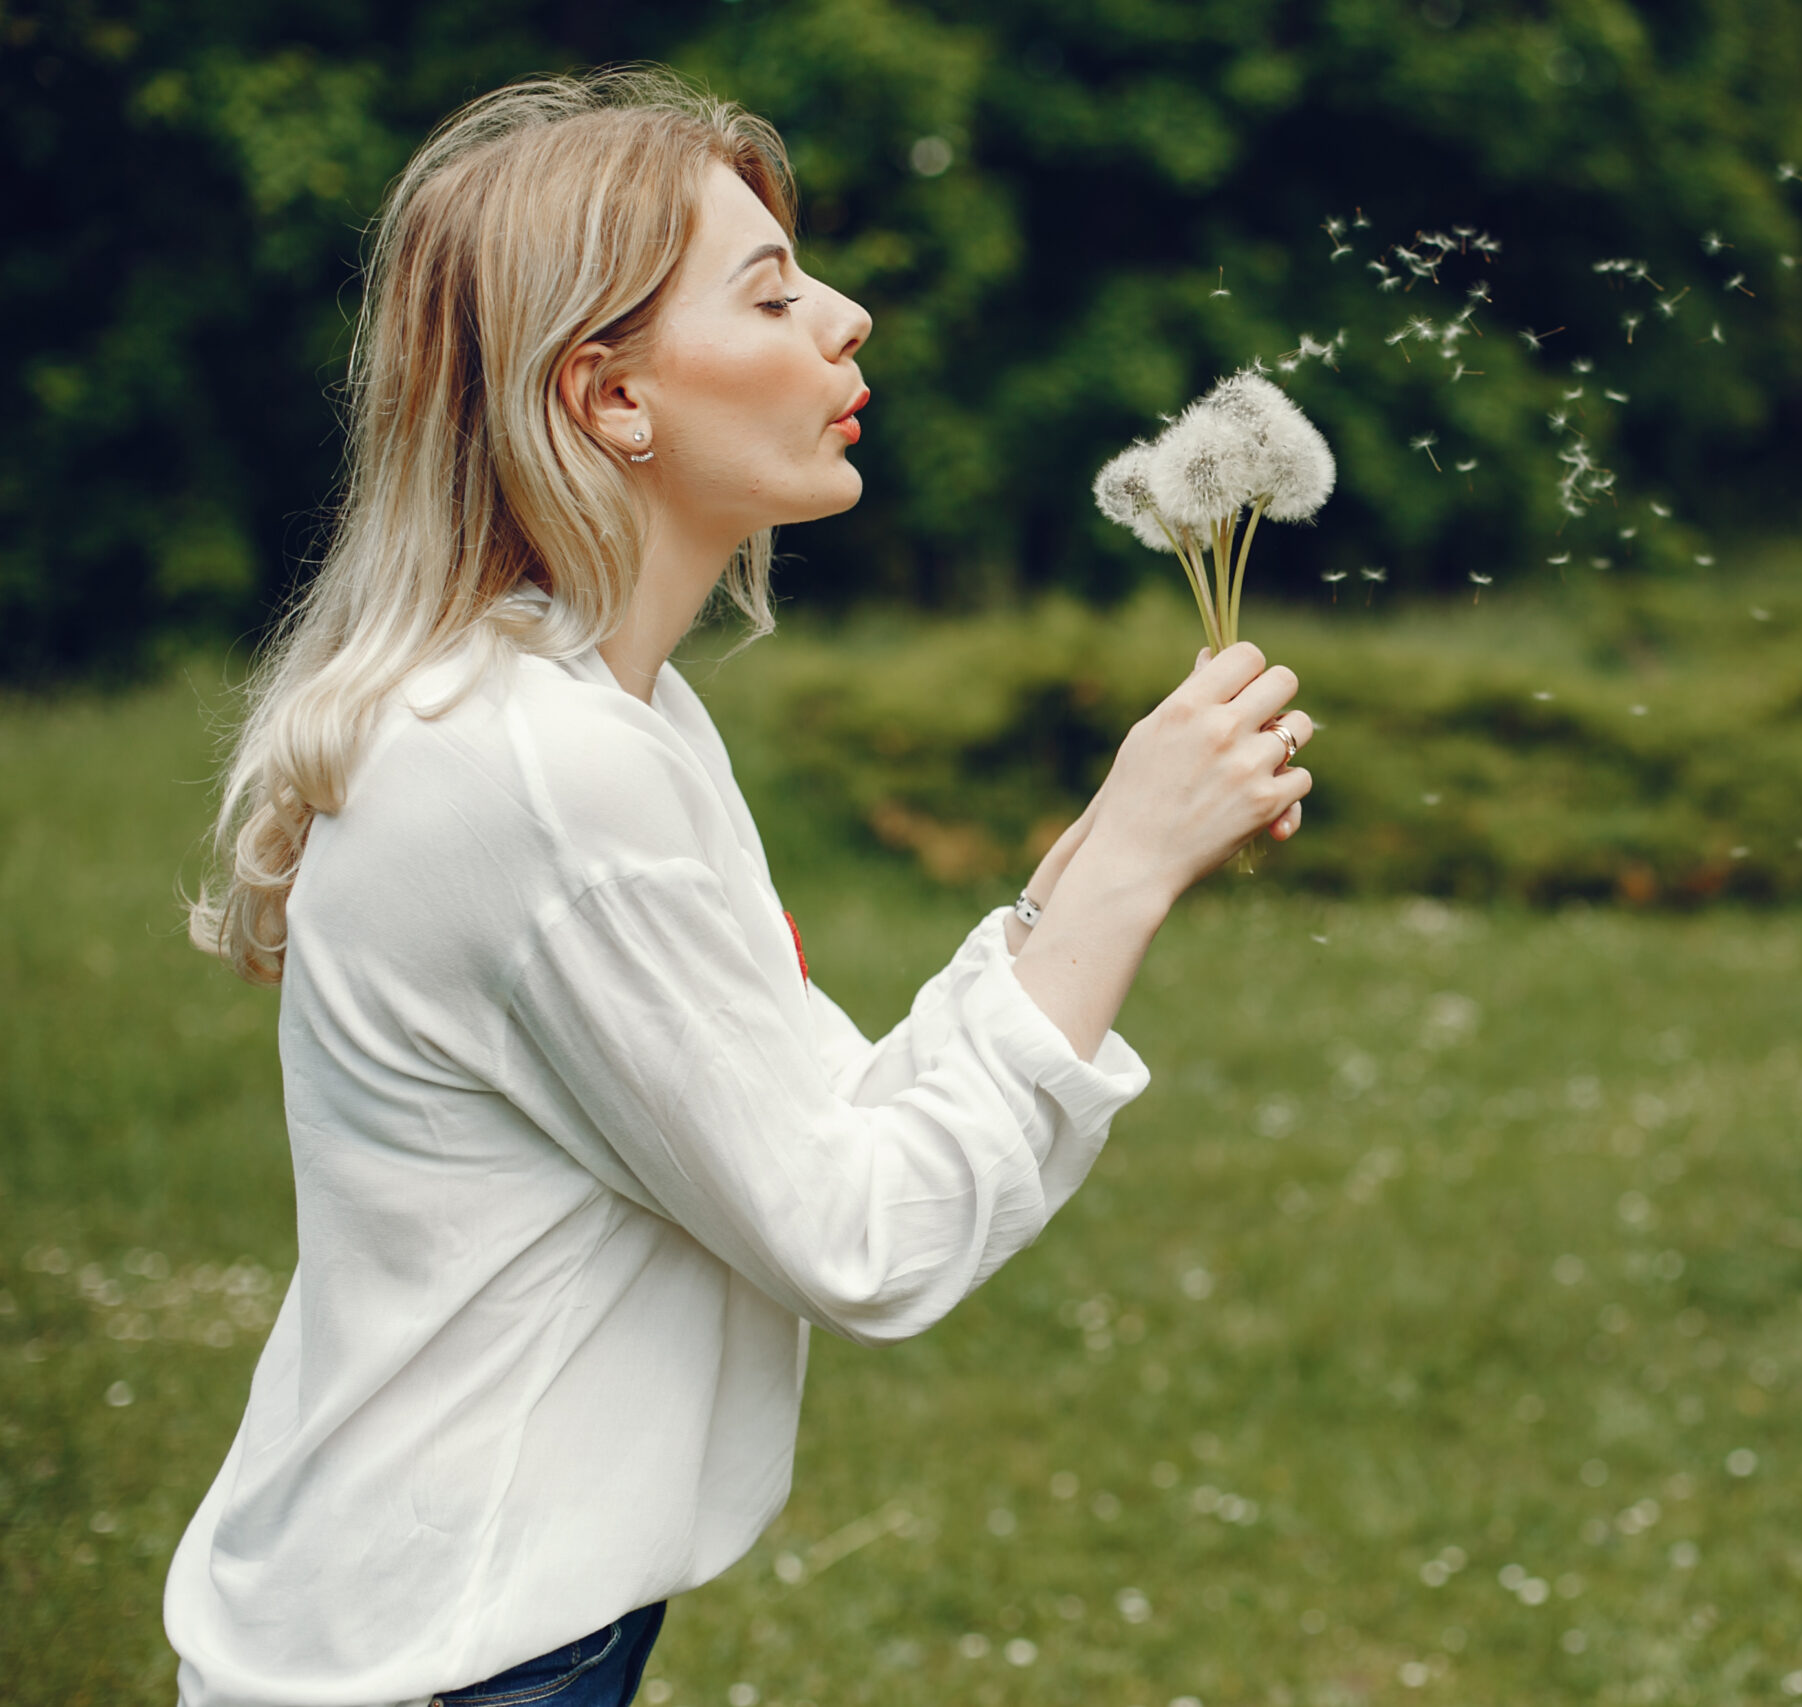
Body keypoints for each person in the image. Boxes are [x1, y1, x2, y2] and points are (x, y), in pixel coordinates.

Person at [173, 66, 1315, 1707]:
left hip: (446, 1633)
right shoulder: (541, 774)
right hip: (437, 1663)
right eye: (771, 291)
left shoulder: (604, 716)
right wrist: (1124, 870)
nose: (844, 317)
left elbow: (809, 1119)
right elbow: (864, 1239)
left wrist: (1067, 894)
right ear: (610, 397)